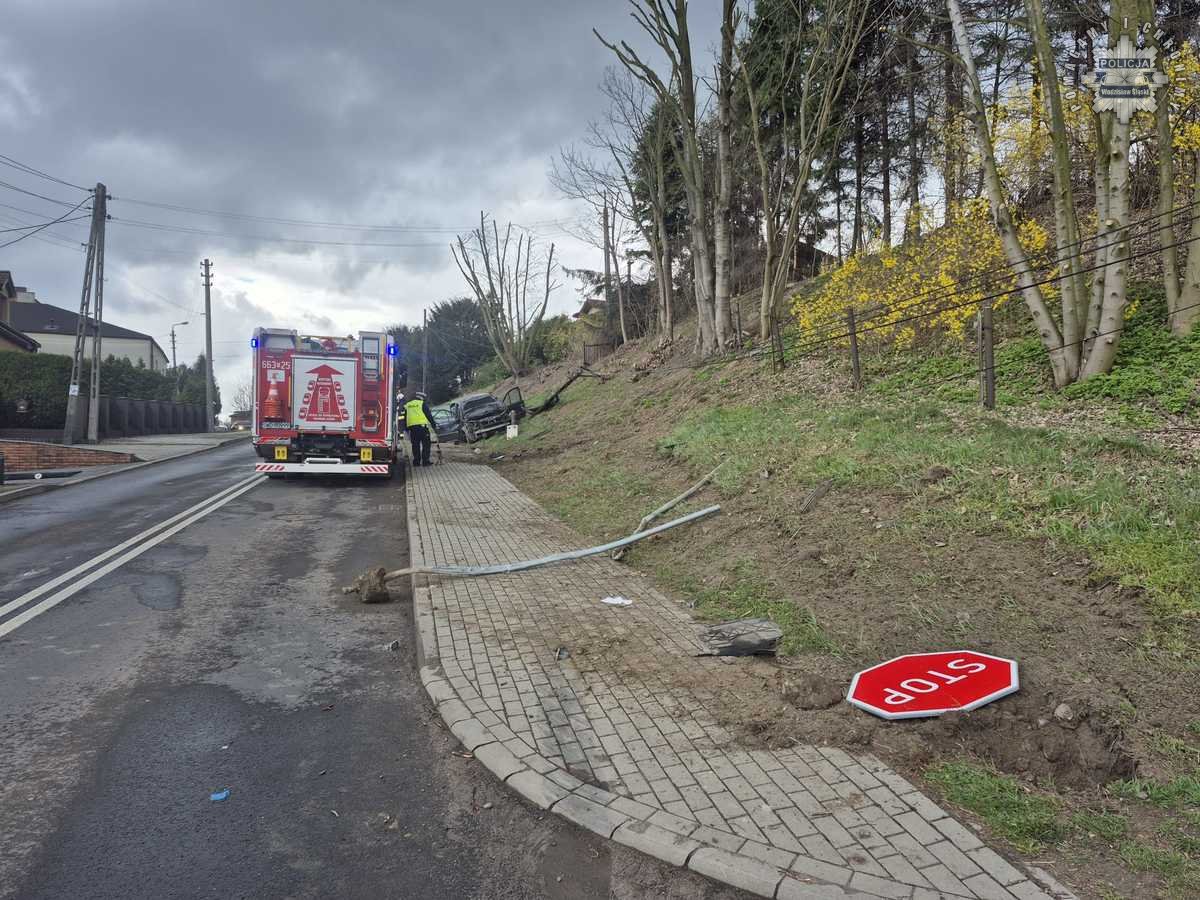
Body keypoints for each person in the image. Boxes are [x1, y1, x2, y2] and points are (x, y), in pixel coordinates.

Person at [404, 391, 435, 467]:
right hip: (422, 428)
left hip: (412, 429)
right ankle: (425, 461)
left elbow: (404, 417)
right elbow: (428, 415)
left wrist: (406, 428)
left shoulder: (407, 405)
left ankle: (416, 462)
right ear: (421, 397)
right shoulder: (421, 404)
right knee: (426, 444)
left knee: (415, 445)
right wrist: (433, 424)